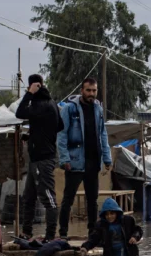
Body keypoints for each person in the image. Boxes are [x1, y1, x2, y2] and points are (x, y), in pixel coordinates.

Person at [57, 78, 112, 238]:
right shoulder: (69, 109)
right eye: (88, 90)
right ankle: (63, 233)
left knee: (92, 200)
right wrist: (64, 159)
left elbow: (103, 133)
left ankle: (92, 232)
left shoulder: (98, 109)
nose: (91, 94)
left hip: (93, 161)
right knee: (68, 198)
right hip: (75, 161)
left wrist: (107, 158)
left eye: (94, 91)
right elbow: (61, 135)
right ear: (82, 90)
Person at [15, 74, 63, 241]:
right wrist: (34, 136)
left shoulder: (41, 104)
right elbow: (59, 126)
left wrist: (29, 94)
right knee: (29, 197)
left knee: (48, 198)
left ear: (34, 86)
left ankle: (50, 236)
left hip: (42, 159)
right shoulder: (52, 103)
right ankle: (27, 232)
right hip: (38, 158)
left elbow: (19, 112)